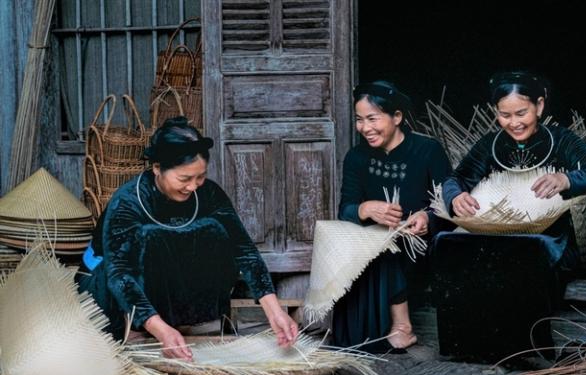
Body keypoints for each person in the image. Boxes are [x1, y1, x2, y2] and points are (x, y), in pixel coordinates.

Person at [77, 117, 298, 360]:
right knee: (150, 237)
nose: (193, 186)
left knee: (214, 229)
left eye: (200, 177)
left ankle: (181, 319)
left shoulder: (209, 193)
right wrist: (160, 330)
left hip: (162, 278)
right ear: (157, 168)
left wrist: (275, 311)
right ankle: (139, 327)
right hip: (108, 285)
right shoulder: (128, 202)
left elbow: (243, 250)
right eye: (184, 179)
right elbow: (120, 275)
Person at [442, 70, 586, 271]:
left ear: (539, 106)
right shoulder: (490, 145)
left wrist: (566, 179)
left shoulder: (561, 140)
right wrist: (455, 196)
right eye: (505, 115)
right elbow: (457, 179)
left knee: (529, 262)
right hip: (498, 235)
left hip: (552, 240)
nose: (514, 123)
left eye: (521, 113)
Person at [334, 80, 452, 352]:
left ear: (397, 117)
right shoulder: (356, 157)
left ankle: (402, 326)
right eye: (359, 120)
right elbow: (346, 210)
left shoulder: (427, 150)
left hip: (422, 246)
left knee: (392, 246)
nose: (365, 128)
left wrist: (426, 217)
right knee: (382, 244)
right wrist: (366, 209)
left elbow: (449, 202)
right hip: (377, 246)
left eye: (372, 119)